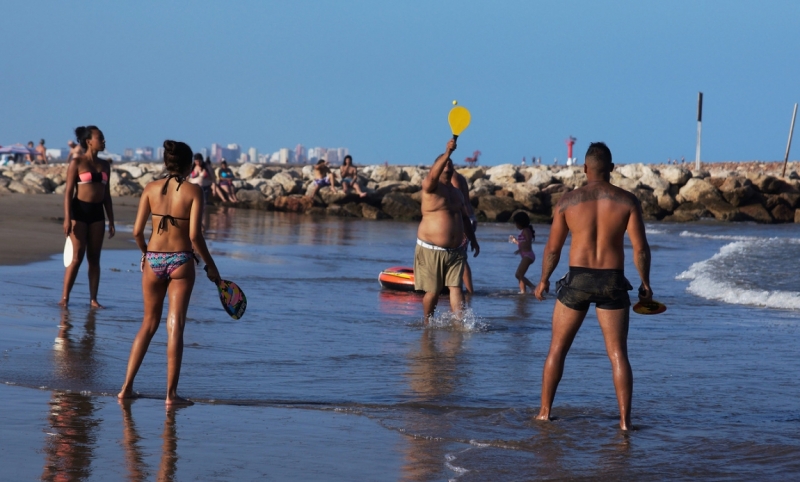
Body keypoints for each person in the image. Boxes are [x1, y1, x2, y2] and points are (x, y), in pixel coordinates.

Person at [533, 142, 652, 431]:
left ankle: (545, 413)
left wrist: (544, 279)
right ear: (612, 168)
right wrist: (645, 282)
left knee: (557, 349)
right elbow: (640, 248)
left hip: (578, 280)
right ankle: (625, 422)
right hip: (613, 280)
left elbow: (552, 249)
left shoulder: (567, 201)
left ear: (584, 168)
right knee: (618, 354)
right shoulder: (628, 201)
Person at [118, 140, 221, 406]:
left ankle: (126, 388)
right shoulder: (194, 191)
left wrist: (145, 253)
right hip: (181, 261)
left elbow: (137, 232)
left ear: (166, 163)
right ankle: (171, 395)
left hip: (153, 260)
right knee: (175, 327)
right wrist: (211, 266)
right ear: (189, 166)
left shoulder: (150, 188)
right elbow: (194, 236)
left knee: (148, 324)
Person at [416, 138, 479, 325]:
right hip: (431, 248)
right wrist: (447, 153)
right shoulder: (430, 187)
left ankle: (460, 325)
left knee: (456, 288)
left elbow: (464, 218)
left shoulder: (457, 192)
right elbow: (433, 175)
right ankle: (427, 323)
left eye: (450, 164)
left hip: (455, 249)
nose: (448, 167)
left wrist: (473, 239)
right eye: (444, 164)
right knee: (433, 291)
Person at [60, 126, 115, 308]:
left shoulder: (105, 164)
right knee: (76, 258)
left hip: (98, 213)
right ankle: (65, 298)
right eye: (100, 138)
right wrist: (67, 218)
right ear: (89, 141)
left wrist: (111, 220)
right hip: (79, 212)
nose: (104, 141)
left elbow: (106, 195)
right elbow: (68, 192)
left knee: (94, 258)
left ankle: (93, 299)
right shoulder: (77, 163)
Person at [449, 167, 477, 294]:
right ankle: (461, 286)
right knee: (458, 255)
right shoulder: (460, 176)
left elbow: (456, 198)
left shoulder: (454, 178)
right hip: (468, 217)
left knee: (460, 257)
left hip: (464, 218)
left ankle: (470, 291)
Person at [509, 211, 536, 294]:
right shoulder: (523, 231)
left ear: (521, 222)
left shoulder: (526, 231)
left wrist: (520, 250)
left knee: (518, 274)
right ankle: (523, 292)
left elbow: (528, 242)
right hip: (525, 256)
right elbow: (522, 243)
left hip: (528, 255)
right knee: (520, 275)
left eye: (516, 223)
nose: (516, 225)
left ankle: (533, 287)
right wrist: (515, 241)